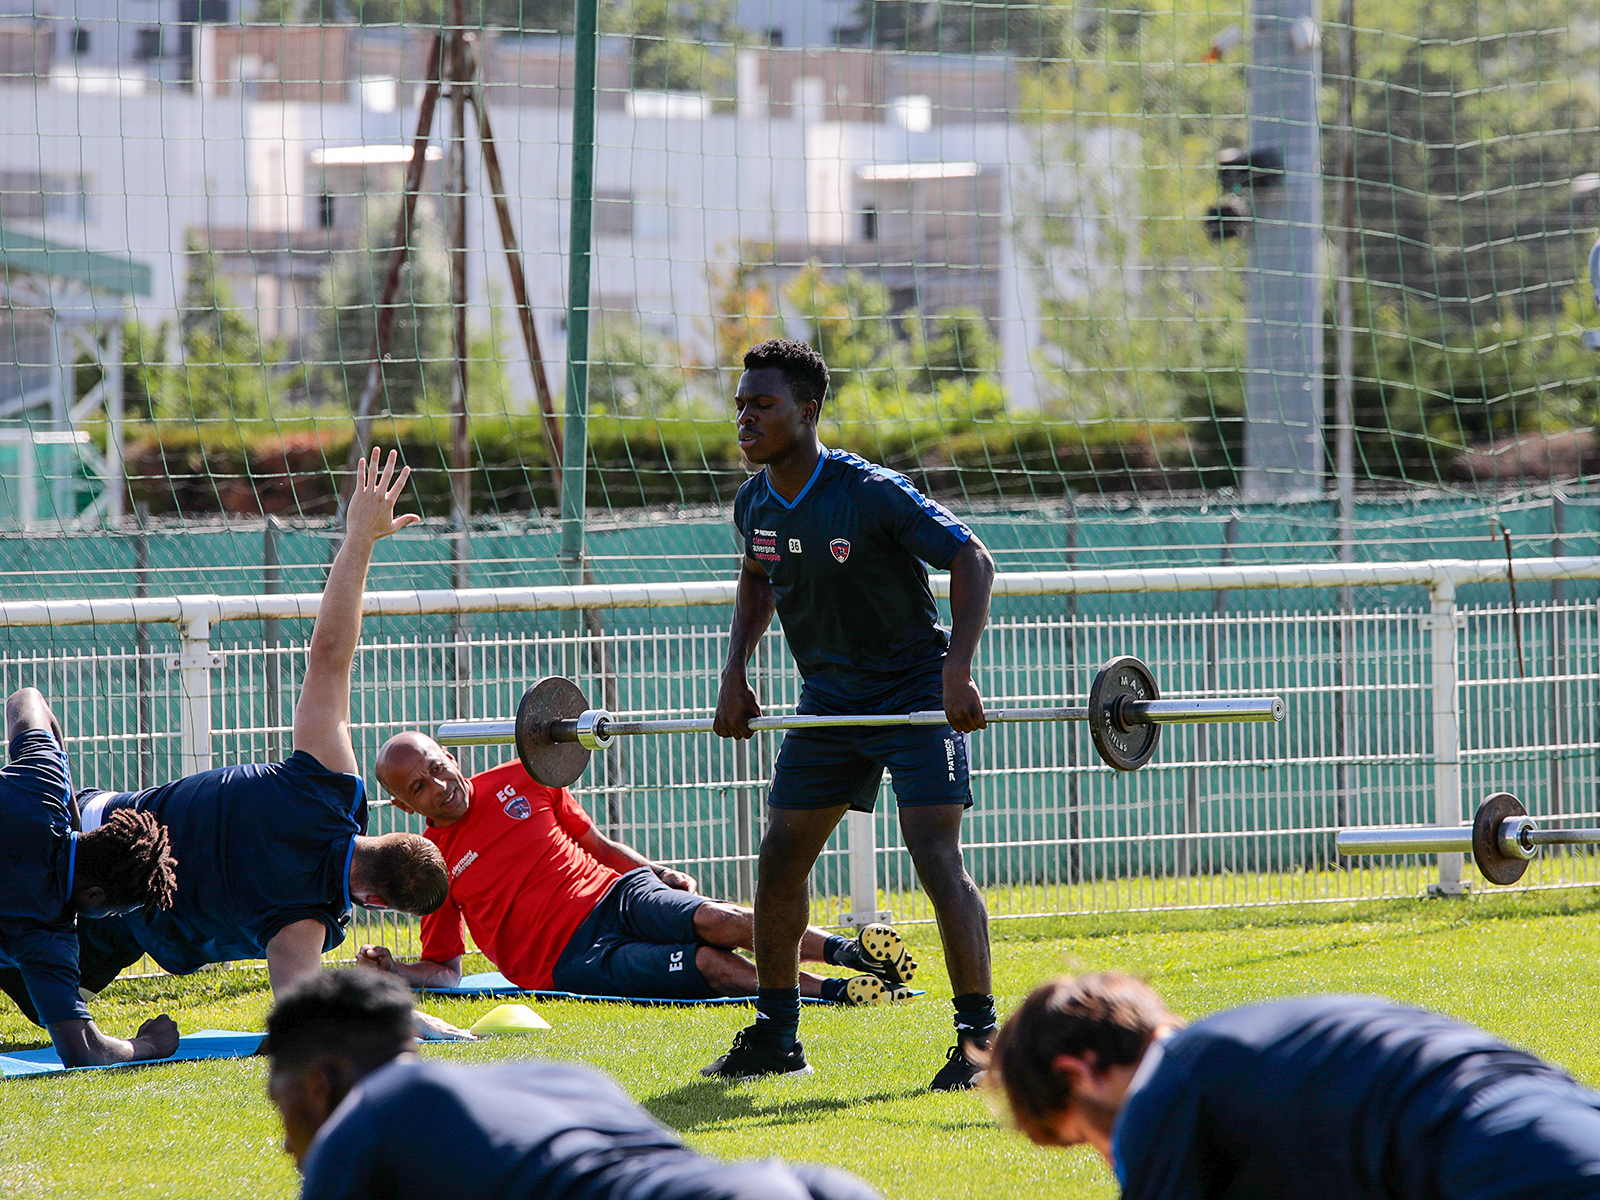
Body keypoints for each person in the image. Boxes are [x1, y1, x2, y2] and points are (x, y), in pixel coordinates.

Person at [0, 450, 452, 1030]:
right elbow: (303, 1019)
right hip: (98, 909)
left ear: (391, 832)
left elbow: (331, 655)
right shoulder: (302, 926)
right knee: (55, 1011)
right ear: (378, 904)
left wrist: (360, 539)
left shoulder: (330, 786)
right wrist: (417, 1022)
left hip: (89, 816)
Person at [706, 339, 997, 1089]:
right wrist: (735, 671)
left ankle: (979, 1046)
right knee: (779, 859)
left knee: (934, 855)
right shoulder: (754, 501)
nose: (745, 418)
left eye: (762, 405)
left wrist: (955, 671)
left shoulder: (870, 491)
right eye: (740, 404)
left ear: (807, 411)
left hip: (912, 690)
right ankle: (777, 1037)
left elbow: (972, 558)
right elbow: (756, 579)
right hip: (829, 699)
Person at [357, 733, 916, 1008]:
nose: (438, 784)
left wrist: (657, 870)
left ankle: (851, 951)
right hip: (570, 959)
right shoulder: (431, 864)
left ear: (450, 757)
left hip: (617, 892)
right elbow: (445, 970)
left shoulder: (525, 777)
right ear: (407, 807)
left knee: (717, 919)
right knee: (710, 966)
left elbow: (591, 839)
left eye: (436, 767)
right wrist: (394, 968)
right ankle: (837, 992)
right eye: (419, 787)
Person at [266, 969, 884, 1200]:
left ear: (319, 1082)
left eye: (279, 1100)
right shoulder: (559, 1078)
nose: (287, 1144)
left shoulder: (370, 1115)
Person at [987, 972, 1600, 1200]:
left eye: (1085, 1138)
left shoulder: (1164, 1093)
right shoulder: (1255, 1054)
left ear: (1079, 1071)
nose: (1108, 1158)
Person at [0, 686, 181, 1066]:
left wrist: (67, 798)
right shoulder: (46, 935)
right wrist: (147, 1045)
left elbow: (25, 699)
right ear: (95, 895)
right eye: (116, 911)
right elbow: (83, 1050)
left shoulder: (45, 785)